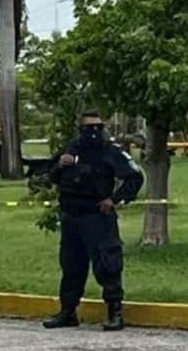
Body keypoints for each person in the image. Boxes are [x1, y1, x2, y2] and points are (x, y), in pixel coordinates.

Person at [44, 111, 144, 332]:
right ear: (81, 129)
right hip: (71, 217)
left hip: (97, 216)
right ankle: (68, 312)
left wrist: (114, 199)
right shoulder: (70, 149)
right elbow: (50, 176)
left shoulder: (110, 151)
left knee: (107, 264)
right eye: (89, 128)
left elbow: (135, 177)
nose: (94, 132)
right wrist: (60, 165)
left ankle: (114, 312)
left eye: (98, 127)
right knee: (71, 266)